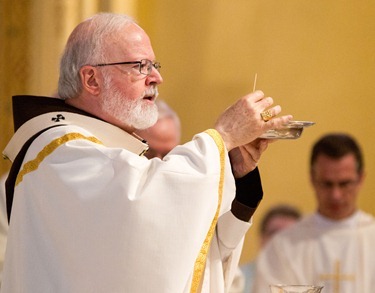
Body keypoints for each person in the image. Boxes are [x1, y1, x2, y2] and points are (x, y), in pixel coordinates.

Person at [1, 13, 292, 293]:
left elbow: (172, 247)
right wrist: (223, 136)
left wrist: (236, 174)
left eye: (155, 65)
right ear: (91, 79)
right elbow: (140, 208)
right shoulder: (57, 151)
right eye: (141, 66)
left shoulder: (101, 147)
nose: (156, 78)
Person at [252, 133, 375, 293]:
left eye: (344, 184)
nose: (335, 195)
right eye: (327, 184)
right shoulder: (284, 246)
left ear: (360, 179)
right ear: (312, 178)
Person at [230, 204, 301, 293]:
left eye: (289, 235)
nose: (279, 243)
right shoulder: (236, 279)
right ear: (262, 238)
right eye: (274, 233)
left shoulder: (309, 277)